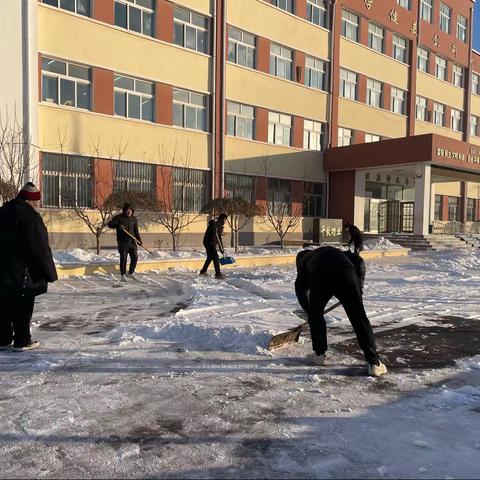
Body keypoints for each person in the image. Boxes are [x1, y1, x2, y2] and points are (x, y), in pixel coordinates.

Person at [294, 245, 387, 377]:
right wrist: (358, 285)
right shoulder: (332, 252)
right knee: (358, 317)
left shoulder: (304, 265)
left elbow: (301, 292)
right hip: (345, 272)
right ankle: (374, 363)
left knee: (316, 314)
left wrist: (311, 312)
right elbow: (360, 262)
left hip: (320, 275)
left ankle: (319, 355)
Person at [0, 183, 58, 352]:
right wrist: (50, 272)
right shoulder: (29, 217)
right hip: (22, 271)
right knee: (22, 305)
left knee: (3, 304)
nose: (38, 205)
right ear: (31, 200)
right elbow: (39, 246)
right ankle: (22, 340)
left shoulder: (2, 212)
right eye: (37, 201)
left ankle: (3, 339)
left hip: (2, 270)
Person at [108, 203, 142, 282]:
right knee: (123, 258)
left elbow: (136, 231)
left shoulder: (134, 219)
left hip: (132, 242)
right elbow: (110, 224)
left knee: (135, 257)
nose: (129, 212)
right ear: (124, 210)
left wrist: (139, 240)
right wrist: (118, 225)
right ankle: (123, 275)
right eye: (128, 210)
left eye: (131, 210)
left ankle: (130, 273)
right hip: (122, 242)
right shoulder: (119, 218)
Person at [199, 213, 227, 279]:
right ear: (223, 219)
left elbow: (218, 238)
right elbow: (218, 238)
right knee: (216, 257)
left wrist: (222, 250)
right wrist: (222, 251)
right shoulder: (217, 225)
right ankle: (218, 274)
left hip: (208, 242)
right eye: (225, 219)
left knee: (210, 257)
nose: (226, 221)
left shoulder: (217, 225)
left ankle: (203, 271)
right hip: (210, 243)